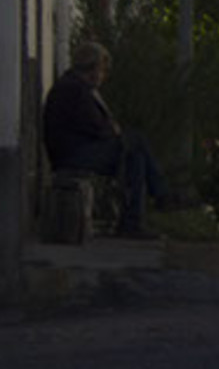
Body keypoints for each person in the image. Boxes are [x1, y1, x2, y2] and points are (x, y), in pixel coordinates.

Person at [43, 41, 167, 238]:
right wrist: (114, 130)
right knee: (136, 142)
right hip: (73, 155)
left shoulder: (73, 87)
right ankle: (159, 197)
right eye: (102, 70)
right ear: (93, 69)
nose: (103, 76)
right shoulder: (75, 90)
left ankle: (137, 216)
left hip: (74, 150)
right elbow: (98, 127)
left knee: (136, 156)